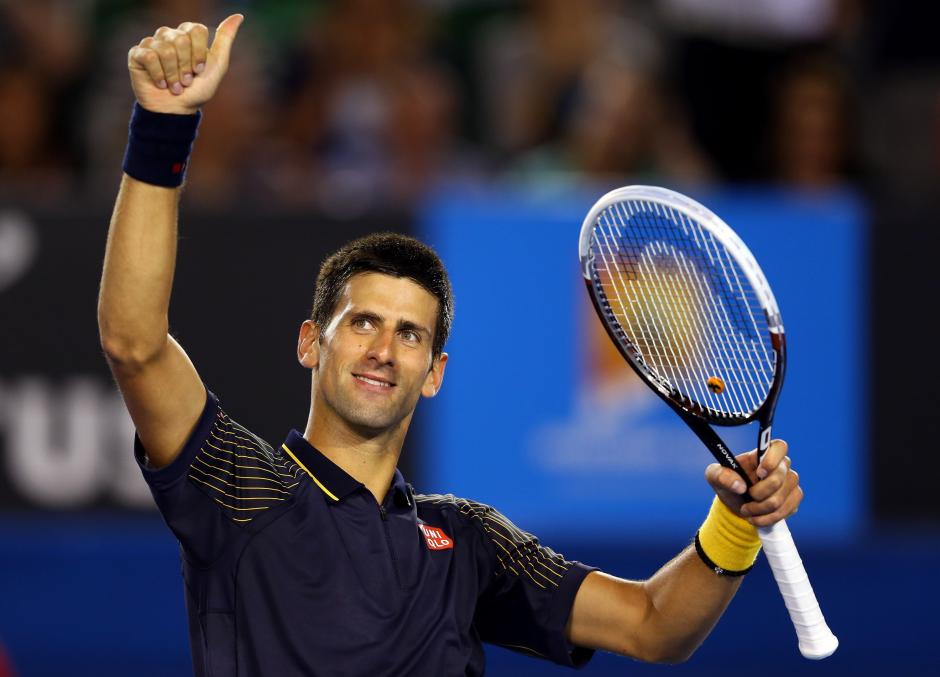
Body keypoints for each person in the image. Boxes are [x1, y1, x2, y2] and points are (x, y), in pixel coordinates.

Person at [97, 15, 803, 676]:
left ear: (433, 373)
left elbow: (653, 624)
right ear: (312, 342)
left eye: (410, 334)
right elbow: (134, 343)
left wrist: (735, 523)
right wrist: (164, 128)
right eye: (364, 322)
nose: (383, 349)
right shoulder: (242, 487)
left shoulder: (468, 540)